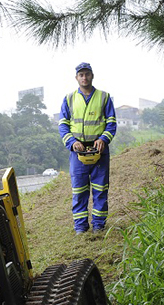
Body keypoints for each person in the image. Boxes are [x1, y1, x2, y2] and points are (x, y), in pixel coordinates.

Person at [59, 62, 117, 234]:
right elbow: (63, 125)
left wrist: (103, 139)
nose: (84, 78)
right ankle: (80, 228)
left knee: (100, 189)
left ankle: (98, 226)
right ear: (76, 77)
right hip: (78, 152)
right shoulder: (69, 98)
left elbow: (111, 122)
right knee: (79, 191)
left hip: (100, 151)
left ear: (92, 75)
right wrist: (72, 142)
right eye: (81, 75)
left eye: (87, 74)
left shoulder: (104, 97)